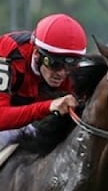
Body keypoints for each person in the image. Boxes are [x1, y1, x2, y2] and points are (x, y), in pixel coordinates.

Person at [0, 13, 87, 148]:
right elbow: (1, 118)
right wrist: (49, 106)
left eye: (70, 66)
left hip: (21, 122)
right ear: (36, 54)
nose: (62, 74)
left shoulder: (70, 73)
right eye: (55, 64)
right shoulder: (7, 55)